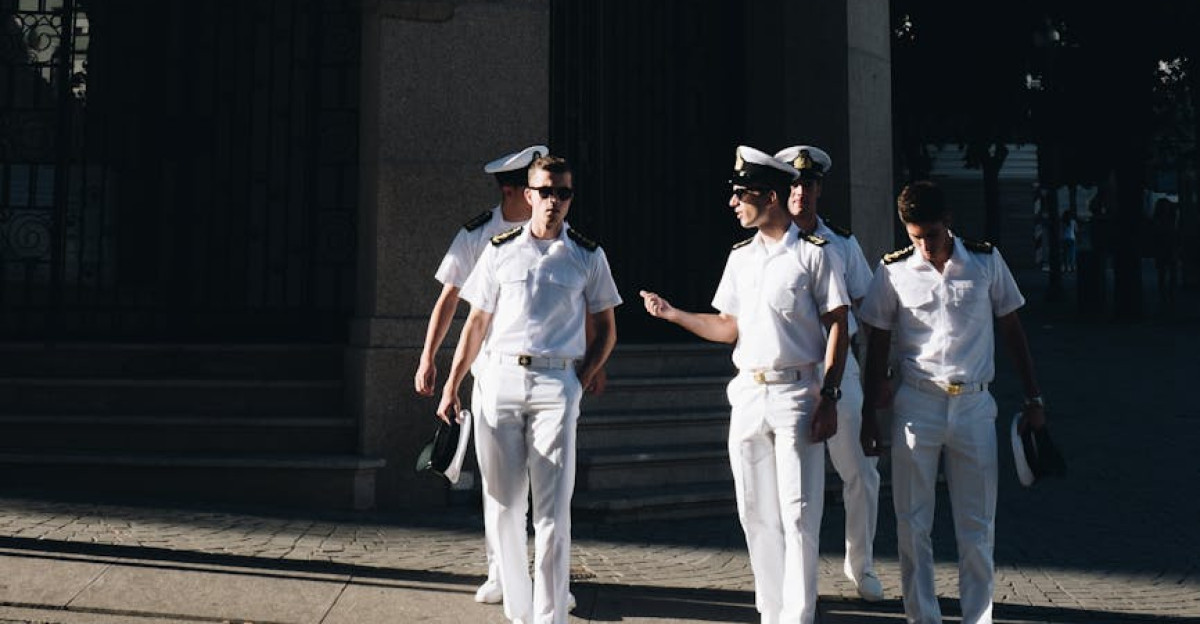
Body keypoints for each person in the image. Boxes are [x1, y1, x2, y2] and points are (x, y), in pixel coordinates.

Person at [641, 145, 850, 623]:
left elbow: (838, 323)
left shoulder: (815, 255)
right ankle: (770, 612)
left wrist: (830, 394)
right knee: (755, 513)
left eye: (741, 193)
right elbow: (727, 326)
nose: (733, 202)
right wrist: (673, 314)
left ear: (770, 197)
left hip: (798, 392)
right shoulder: (740, 258)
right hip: (749, 394)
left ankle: (799, 616)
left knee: (799, 514)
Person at [437, 155, 621, 624]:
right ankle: (520, 614)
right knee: (503, 506)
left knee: (554, 511)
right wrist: (452, 384)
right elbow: (476, 323)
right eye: (546, 191)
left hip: (556, 384)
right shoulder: (499, 250)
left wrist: (578, 381)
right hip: (498, 379)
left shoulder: (587, 255)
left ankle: (550, 616)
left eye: (563, 193)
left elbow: (607, 329)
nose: (554, 201)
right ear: (527, 195)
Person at [858, 180, 1048, 624]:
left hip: (975, 406)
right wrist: (871, 414)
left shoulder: (985, 261)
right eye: (915, 236)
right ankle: (922, 617)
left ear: (949, 222)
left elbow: (1013, 331)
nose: (924, 245)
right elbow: (877, 340)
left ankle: (977, 618)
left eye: (931, 235)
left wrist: (1034, 397)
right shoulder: (893, 271)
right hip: (917, 404)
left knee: (977, 525)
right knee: (911, 522)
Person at [415, 144, 545, 605]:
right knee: (498, 479)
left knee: (541, 479)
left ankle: (540, 579)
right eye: (528, 187)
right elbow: (450, 300)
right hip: (492, 368)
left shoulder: (552, 232)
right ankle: (500, 572)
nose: (539, 196)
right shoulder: (478, 234)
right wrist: (430, 358)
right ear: (512, 190)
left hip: (546, 373)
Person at [773, 144, 884, 603]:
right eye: (793, 183)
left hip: (842, 369)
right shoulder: (769, 242)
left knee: (861, 470)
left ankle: (862, 565)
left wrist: (884, 371)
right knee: (795, 485)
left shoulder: (842, 243)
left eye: (808, 183)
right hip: (791, 371)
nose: (800, 191)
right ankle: (795, 579)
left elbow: (870, 308)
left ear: (819, 188)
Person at [1061, 208, 1077, 273]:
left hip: (1065, 239)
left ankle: (1066, 268)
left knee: (1065, 254)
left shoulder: (1063, 222)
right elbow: (1076, 230)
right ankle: (1072, 267)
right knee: (1072, 254)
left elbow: (1062, 230)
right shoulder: (1073, 221)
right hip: (1072, 238)